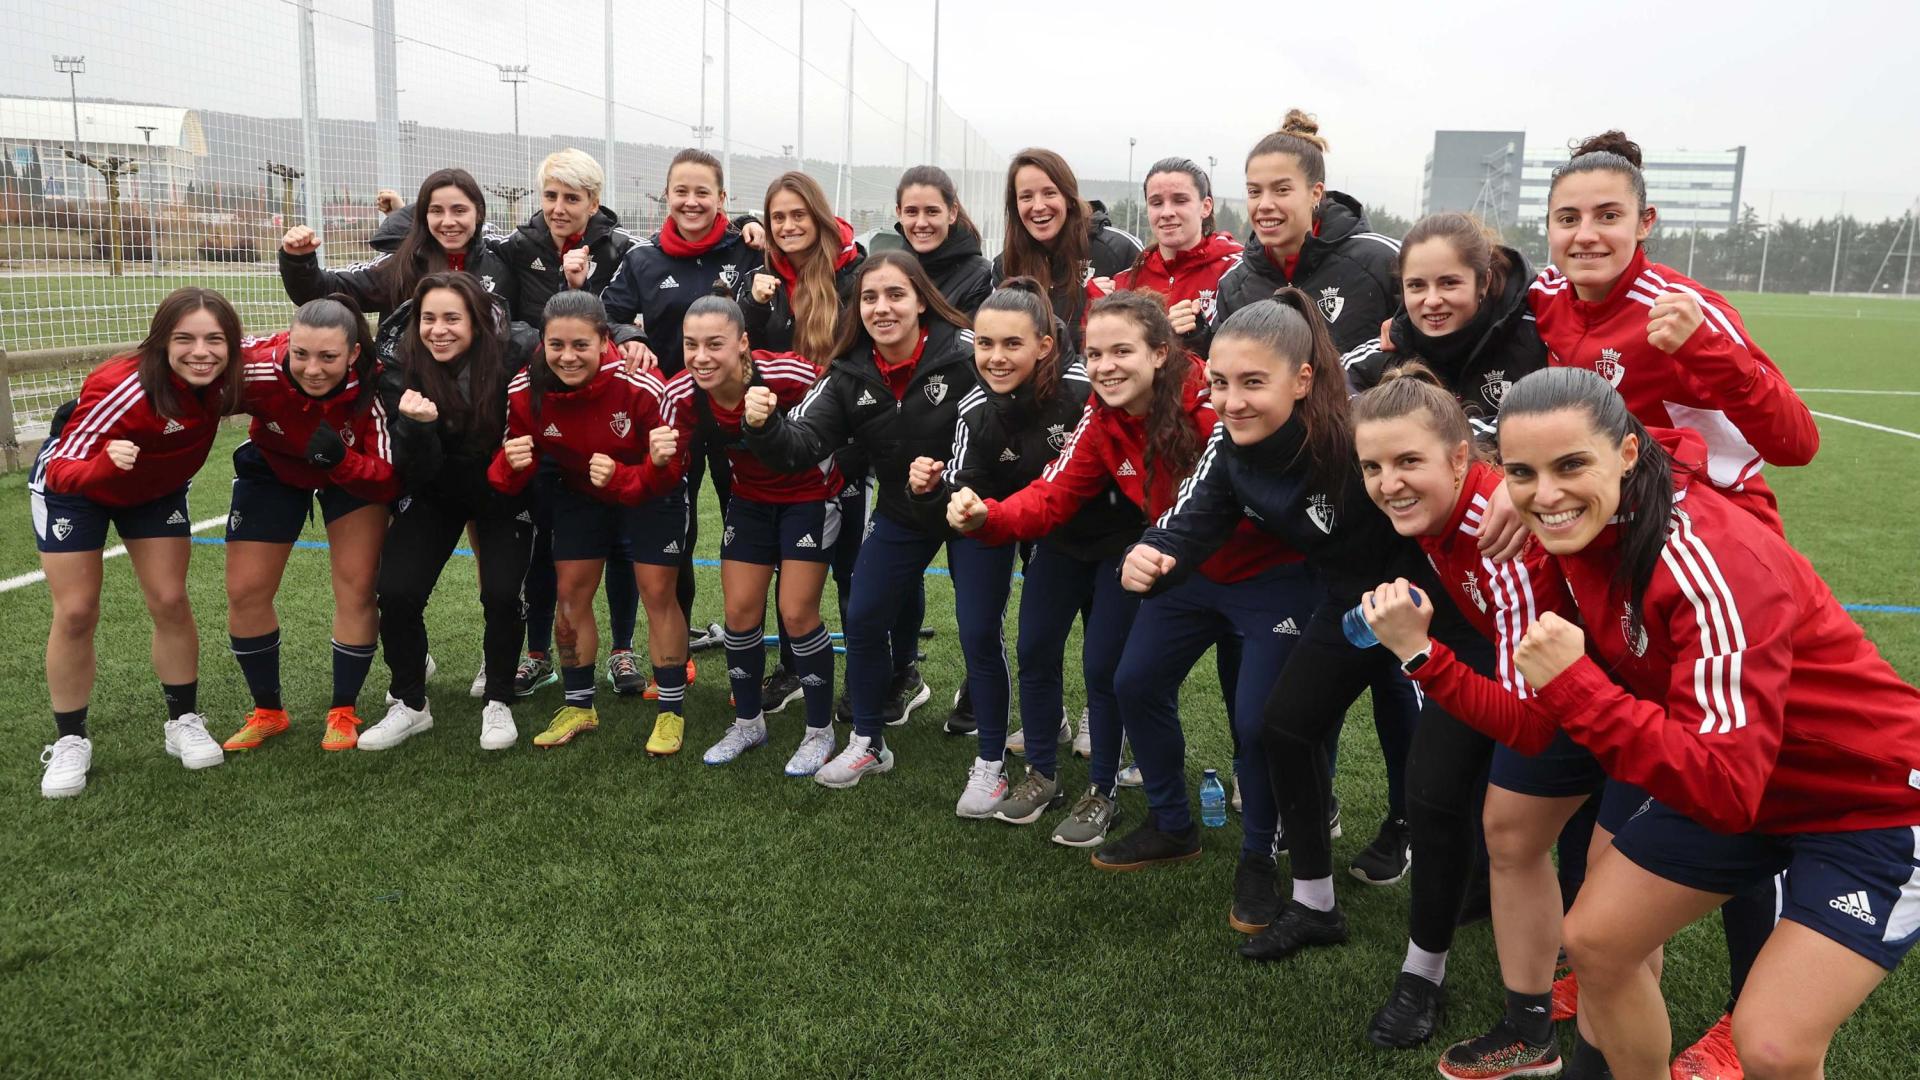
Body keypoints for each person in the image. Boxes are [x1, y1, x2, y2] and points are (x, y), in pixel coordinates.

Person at [1369, 366, 1920, 1080]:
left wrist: (1578, 687)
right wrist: (1433, 652)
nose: (1548, 494)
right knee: (1595, 941)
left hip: (1868, 801)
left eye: (1571, 465)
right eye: (1523, 473)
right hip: (1742, 778)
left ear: (1626, 455)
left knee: (1774, 1046)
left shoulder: (1703, 559)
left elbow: (1722, 789)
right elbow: (1538, 731)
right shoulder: (1580, 532)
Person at [1119, 294, 1488, 993]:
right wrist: (1154, 554)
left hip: (1437, 616)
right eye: (1221, 383)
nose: (1231, 401)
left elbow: (1458, 473)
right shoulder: (1232, 448)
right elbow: (1188, 520)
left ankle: (1424, 970)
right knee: (1283, 728)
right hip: (1351, 606)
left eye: (1253, 383)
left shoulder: (1358, 433)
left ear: (1304, 379)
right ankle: (1314, 901)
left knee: (1436, 787)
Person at [949, 290, 1272, 852]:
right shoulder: (1102, 418)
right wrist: (988, 516)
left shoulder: (1210, 407)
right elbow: (1053, 491)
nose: (1105, 366)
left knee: (1255, 702)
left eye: (1121, 351)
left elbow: (1240, 494)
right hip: (1172, 567)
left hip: (1247, 570)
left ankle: (1278, 810)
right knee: (1127, 677)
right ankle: (1139, 808)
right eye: (1094, 354)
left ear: (1159, 353)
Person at [743, 251, 977, 790]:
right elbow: (801, 443)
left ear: (922, 300)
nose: (882, 307)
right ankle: (868, 741)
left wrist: (966, 484)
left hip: (969, 508)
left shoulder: (964, 352)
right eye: (869, 297)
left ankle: (994, 755)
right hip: (901, 508)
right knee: (866, 614)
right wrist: (764, 425)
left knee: (981, 626)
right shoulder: (849, 368)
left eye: (896, 294)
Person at [1529, 130, 1817, 534]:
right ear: (1549, 227)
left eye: (1609, 216)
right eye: (1568, 219)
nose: (1586, 234)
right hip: (1613, 529)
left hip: (1714, 531)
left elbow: (1798, 443)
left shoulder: (1683, 309)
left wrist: (1704, 347)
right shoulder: (1543, 296)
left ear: (1644, 222)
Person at [33, 288, 243, 798]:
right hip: (78, 490)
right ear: (160, 342)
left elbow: (292, 357)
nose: (202, 352)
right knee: (77, 611)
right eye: (185, 339)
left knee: (170, 600)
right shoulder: (122, 384)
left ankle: (183, 720)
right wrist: (104, 466)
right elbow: (63, 468)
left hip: (153, 491)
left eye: (215, 340)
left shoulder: (231, 375)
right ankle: (70, 740)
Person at [488, 291, 689, 753]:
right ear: (542, 343)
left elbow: (673, 467)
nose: (568, 356)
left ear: (604, 342)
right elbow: (504, 476)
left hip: (650, 490)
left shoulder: (642, 383)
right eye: (556, 345)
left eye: (581, 345)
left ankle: (671, 712)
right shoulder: (525, 389)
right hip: (580, 492)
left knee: (658, 593)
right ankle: (580, 705)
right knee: (570, 591)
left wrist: (626, 476)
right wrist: (508, 464)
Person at [658, 293, 843, 775]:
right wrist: (659, 456)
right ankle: (748, 722)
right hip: (751, 502)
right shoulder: (682, 393)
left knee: (797, 612)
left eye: (714, 344)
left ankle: (819, 730)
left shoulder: (787, 374)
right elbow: (666, 461)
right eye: (690, 344)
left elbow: (839, 405)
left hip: (809, 497)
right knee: (739, 614)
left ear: (742, 343)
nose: (701, 357)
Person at [492, 148, 651, 698]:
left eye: (572, 198)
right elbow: (497, 316)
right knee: (544, 545)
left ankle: (624, 651)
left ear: (594, 201)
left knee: (622, 547)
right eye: (551, 196)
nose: (558, 208)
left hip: (608, 410)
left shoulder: (622, 248)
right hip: (539, 410)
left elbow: (632, 315)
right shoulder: (517, 248)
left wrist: (623, 338)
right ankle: (539, 653)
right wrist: (549, 348)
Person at [604, 148, 769, 675]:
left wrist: (754, 228)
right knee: (677, 528)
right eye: (682, 191)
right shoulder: (643, 259)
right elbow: (606, 314)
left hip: (742, 414)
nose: (692, 201)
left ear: (722, 198)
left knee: (750, 527)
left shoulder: (748, 251)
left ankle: (759, 649)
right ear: (667, 196)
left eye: (704, 192)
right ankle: (680, 645)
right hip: (672, 416)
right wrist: (630, 335)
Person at [364, 271, 535, 752]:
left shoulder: (517, 349)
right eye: (429, 318)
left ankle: (498, 698)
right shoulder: (400, 364)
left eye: (452, 318)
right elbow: (415, 470)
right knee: (396, 591)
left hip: (502, 489)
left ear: (477, 323)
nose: (439, 329)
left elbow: (573, 345)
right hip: (436, 488)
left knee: (502, 593)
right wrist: (418, 428)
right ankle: (410, 703)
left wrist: (627, 337)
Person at [220, 296, 398, 754]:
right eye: (300, 354)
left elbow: (387, 476)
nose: (312, 368)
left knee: (357, 587)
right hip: (275, 466)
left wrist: (343, 461)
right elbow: (184, 368)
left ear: (354, 353)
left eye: (328, 357)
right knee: (245, 590)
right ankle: (267, 712)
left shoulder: (373, 386)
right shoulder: (258, 367)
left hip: (348, 471)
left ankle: (343, 711)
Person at [1212, 111, 1401, 356]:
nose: (1264, 204)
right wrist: (1196, 336)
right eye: (1254, 192)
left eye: (1281, 190)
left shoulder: (1381, 261)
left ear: (1315, 193)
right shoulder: (1234, 284)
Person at [279, 168, 517, 332]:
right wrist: (299, 260)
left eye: (459, 210)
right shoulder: (401, 266)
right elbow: (323, 290)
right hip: (411, 393)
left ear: (478, 213)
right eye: (436, 211)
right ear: (423, 217)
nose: (448, 221)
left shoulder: (502, 264)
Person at [994, 148, 1142, 351]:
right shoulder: (1005, 265)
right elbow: (1000, 339)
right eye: (1026, 197)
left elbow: (1147, 328)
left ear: (1069, 197)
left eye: (1049, 193)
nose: (1038, 206)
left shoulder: (1118, 249)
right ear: (1015, 206)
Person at [1110, 156, 1244, 356]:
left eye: (1180, 200)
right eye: (1156, 203)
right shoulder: (1125, 282)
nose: (1166, 212)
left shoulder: (1238, 270)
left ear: (1206, 206)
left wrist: (1200, 336)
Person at [895, 164, 995, 316]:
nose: (921, 223)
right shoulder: (888, 272)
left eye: (932, 211)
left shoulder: (982, 278)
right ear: (899, 213)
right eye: (911, 212)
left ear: (952, 212)